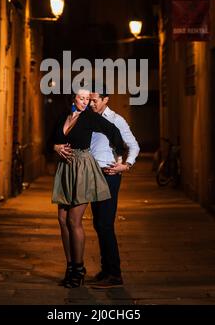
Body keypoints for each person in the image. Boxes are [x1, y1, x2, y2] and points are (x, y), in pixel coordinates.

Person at [52, 88, 125, 288]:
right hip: (65, 169)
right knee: (62, 219)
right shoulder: (63, 117)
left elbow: (114, 131)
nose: (85, 102)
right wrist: (56, 147)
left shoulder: (89, 117)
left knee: (74, 220)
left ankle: (79, 269)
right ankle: (70, 267)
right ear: (72, 98)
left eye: (87, 99)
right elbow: (54, 138)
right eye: (81, 98)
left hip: (83, 167)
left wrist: (120, 158)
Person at [88, 87, 140, 288]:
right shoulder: (90, 118)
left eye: (95, 101)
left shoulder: (116, 120)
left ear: (105, 100)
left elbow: (134, 145)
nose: (91, 104)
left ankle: (115, 275)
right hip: (93, 174)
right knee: (98, 224)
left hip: (109, 175)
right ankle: (106, 269)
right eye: (90, 101)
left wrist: (126, 165)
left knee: (105, 224)